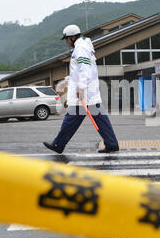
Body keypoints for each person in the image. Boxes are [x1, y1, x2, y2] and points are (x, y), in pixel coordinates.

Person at [43, 25, 119, 154]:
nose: (67, 41)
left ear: (73, 37)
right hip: (89, 91)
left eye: (67, 39)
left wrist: (82, 88)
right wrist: (66, 81)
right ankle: (111, 144)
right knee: (99, 119)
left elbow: (84, 69)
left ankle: (58, 144)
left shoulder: (80, 48)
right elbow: (78, 71)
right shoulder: (83, 46)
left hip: (85, 92)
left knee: (71, 119)